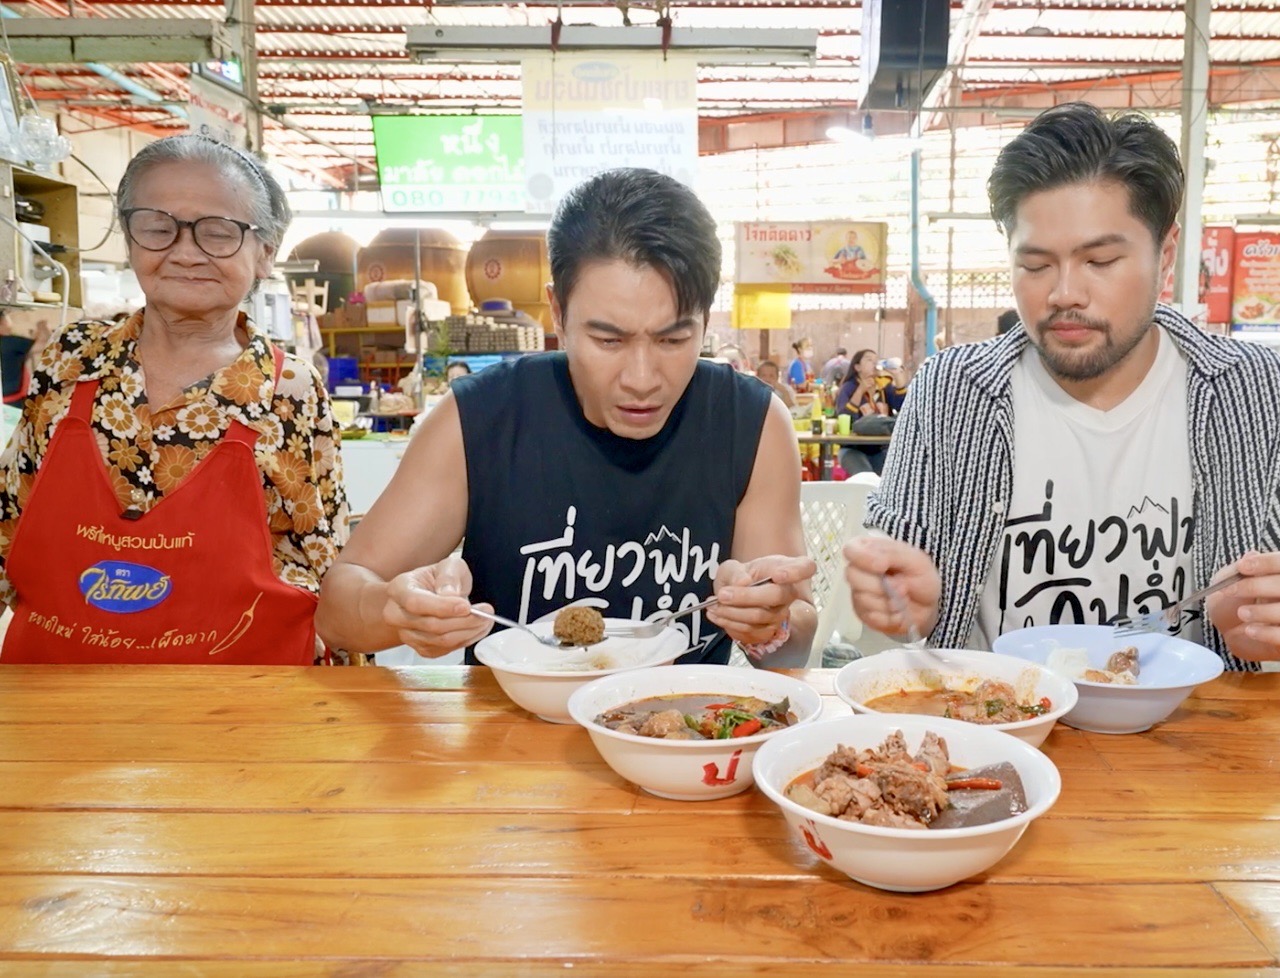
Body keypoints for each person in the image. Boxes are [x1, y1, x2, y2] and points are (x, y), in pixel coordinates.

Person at [845, 101, 1280, 671]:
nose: (1064, 293)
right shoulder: (952, 390)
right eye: (1036, 265)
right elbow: (893, 584)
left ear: (1165, 256)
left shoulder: (1254, 390)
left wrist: (1276, 624)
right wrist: (899, 605)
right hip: (992, 715)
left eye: (1100, 260)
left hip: (1193, 721)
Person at [316, 167, 816, 668]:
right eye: (608, 340)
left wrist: (771, 622)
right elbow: (337, 609)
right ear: (557, 311)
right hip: (510, 719)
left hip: (683, 716)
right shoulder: (480, 419)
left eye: (673, 339)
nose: (642, 379)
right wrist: (397, 611)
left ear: (705, 317)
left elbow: (793, 646)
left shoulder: (752, 425)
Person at [0, 134, 348, 665]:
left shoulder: (291, 391)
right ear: (130, 239)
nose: (185, 253)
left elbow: (324, 561)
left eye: (218, 232)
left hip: (236, 697)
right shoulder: (70, 360)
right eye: (158, 228)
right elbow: (10, 517)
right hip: (64, 693)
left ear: (265, 253)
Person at [833, 349, 890, 476]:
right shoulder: (848, 387)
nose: (874, 363)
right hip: (853, 449)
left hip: (879, 449)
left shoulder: (883, 387)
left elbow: (901, 404)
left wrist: (898, 376)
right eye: (869, 360)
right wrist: (860, 390)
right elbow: (844, 418)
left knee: (891, 475)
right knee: (866, 476)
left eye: (876, 360)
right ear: (857, 367)